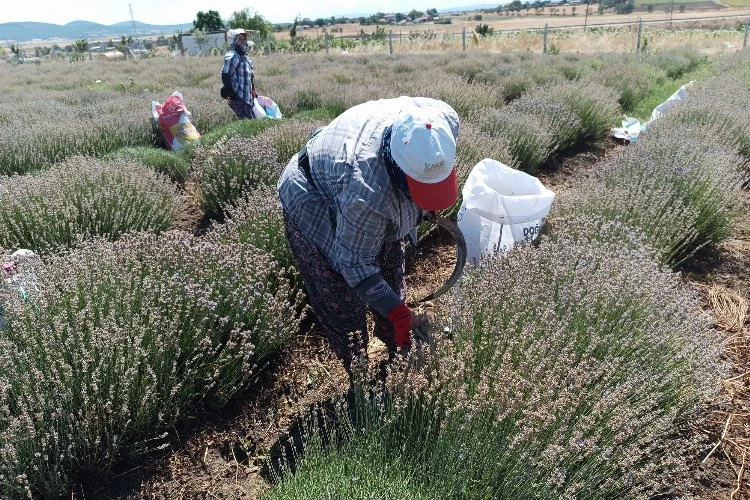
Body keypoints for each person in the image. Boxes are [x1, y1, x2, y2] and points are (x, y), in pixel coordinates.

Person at [277, 96, 460, 374]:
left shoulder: (440, 122)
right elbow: (356, 265)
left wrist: (426, 203)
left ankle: (398, 350)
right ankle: (359, 373)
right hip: (313, 196)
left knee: (391, 275)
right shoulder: (367, 191)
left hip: (354, 180)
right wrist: (398, 313)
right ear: (400, 172)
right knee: (341, 298)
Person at [221, 28, 258, 119]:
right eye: (239, 39)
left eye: (244, 39)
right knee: (249, 123)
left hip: (247, 97)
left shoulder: (245, 58)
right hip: (238, 97)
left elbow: (249, 77)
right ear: (234, 41)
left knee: (251, 121)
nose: (243, 41)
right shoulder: (233, 55)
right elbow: (226, 73)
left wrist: (253, 92)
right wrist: (229, 90)